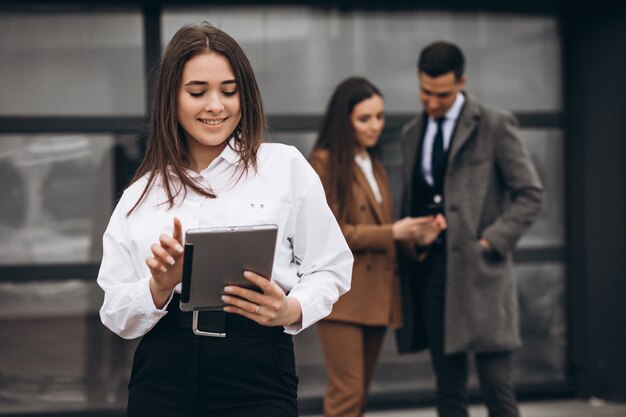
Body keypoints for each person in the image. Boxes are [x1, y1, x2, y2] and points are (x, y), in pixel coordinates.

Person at [97, 23, 353, 417]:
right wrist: (160, 285)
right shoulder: (140, 195)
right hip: (164, 371)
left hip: (257, 363)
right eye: (198, 92)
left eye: (229, 91)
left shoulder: (284, 167)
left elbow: (332, 266)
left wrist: (292, 309)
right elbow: (115, 313)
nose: (215, 105)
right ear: (172, 98)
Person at [395, 41, 544, 417]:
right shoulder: (412, 133)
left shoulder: (494, 124)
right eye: (425, 92)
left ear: (462, 81)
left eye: (442, 94)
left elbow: (530, 195)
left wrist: (491, 241)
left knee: (499, 392)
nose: (431, 103)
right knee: (448, 393)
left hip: (483, 274)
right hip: (433, 276)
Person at [308, 77, 446, 417]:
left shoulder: (375, 164)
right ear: (344, 121)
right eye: (364, 119)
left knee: (360, 395)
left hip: (379, 294)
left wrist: (417, 237)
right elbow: (333, 231)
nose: (375, 126)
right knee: (347, 394)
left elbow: (387, 231)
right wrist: (392, 232)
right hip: (342, 295)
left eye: (380, 117)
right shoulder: (323, 163)